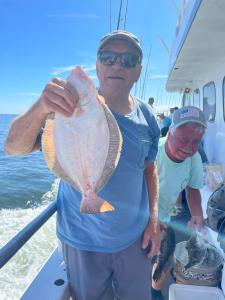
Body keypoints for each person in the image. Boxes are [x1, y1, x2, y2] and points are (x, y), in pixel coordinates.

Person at [4, 30, 161, 300]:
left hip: (134, 240)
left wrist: (154, 219)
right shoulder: (66, 109)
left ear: (138, 71)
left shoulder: (147, 117)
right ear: (98, 66)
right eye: (108, 57)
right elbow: (12, 148)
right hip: (82, 244)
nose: (117, 64)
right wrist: (41, 107)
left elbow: (149, 169)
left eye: (128, 59)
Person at [151, 106, 206, 300]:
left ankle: (155, 290)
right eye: (183, 139)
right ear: (170, 132)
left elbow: (192, 189)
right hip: (142, 214)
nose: (189, 148)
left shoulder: (194, 159)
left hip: (165, 216)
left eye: (196, 142)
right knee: (142, 254)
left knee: (167, 252)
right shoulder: (153, 152)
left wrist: (197, 215)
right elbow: (134, 190)